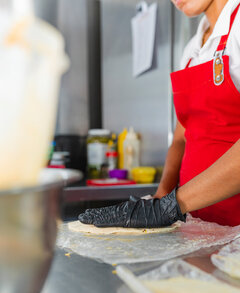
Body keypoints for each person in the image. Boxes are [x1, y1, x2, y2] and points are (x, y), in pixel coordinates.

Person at [80, 0, 240, 228]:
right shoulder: (192, 50)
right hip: (196, 227)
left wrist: (170, 206)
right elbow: (180, 138)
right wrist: (160, 199)